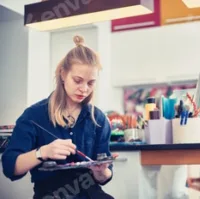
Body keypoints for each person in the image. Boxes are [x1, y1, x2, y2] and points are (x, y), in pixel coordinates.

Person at [2, 35, 115, 199]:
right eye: (78, 80)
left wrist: (102, 172)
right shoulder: (33, 116)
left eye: (91, 83)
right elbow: (10, 167)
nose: (84, 89)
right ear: (63, 74)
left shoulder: (98, 119)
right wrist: (43, 152)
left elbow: (104, 178)